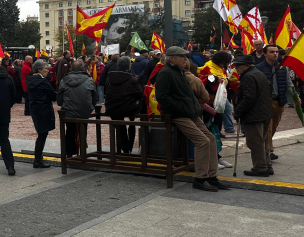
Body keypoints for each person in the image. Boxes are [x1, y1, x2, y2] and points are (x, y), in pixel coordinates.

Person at [155, 46, 228, 192]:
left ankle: (211, 176)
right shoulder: (165, 73)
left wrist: (193, 107)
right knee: (202, 141)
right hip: (178, 115)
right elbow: (162, 98)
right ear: (172, 58)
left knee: (211, 139)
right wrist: (182, 108)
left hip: (190, 113)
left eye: (185, 56)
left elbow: (189, 95)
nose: (185, 59)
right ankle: (200, 179)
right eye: (182, 56)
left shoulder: (180, 72)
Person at [232, 54, 274, 176]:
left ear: (246, 65)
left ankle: (260, 168)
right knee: (262, 141)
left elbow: (249, 98)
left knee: (255, 142)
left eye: (238, 65)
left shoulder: (249, 76)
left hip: (254, 115)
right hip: (264, 113)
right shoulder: (258, 73)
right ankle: (267, 165)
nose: (236, 68)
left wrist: (238, 110)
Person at [256, 44, 299, 161]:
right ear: (264, 54)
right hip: (266, 102)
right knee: (268, 128)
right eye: (271, 52)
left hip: (279, 101)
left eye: (276, 52)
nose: (275, 54)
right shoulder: (258, 68)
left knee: (274, 127)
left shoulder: (282, 67)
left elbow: (289, 83)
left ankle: (268, 148)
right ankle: (269, 151)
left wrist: (295, 97)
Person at [58, 60, 97, 157]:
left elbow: (59, 99)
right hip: (84, 111)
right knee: (83, 130)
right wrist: (90, 107)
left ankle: (69, 153)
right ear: (83, 69)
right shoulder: (89, 80)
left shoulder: (64, 80)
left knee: (70, 131)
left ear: (71, 69)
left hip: (68, 110)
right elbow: (95, 97)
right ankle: (82, 152)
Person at [105, 57, 143, 154]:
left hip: (112, 107)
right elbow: (139, 94)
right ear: (129, 67)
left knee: (119, 125)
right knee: (131, 122)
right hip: (128, 108)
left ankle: (124, 148)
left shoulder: (110, 78)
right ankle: (128, 147)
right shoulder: (131, 79)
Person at [27, 60, 56, 168]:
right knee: (42, 135)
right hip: (43, 109)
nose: (48, 70)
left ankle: (38, 158)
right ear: (39, 69)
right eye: (46, 68)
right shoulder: (43, 81)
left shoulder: (30, 79)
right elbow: (53, 95)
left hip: (35, 109)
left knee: (41, 134)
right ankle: (37, 160)